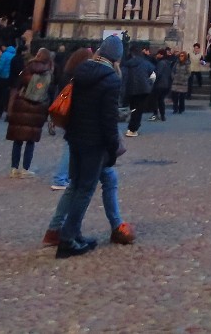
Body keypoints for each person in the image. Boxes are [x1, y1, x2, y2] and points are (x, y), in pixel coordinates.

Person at [57, 35, 124, 258]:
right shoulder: (111, 80)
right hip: (94, 143)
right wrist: (113, 147)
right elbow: (108, 120)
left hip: (75, 137)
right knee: (85, 190)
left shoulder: (81, 70)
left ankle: (72, 234)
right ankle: (67, 239)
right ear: (116, 57)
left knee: (76, 185)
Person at [50, 46, 96, 190]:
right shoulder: (79, 76)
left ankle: (72, 174)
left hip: (69, 113)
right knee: (70, 146)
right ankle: (60, 178)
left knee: (73, 145)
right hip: (77, 114)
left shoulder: (67, 73)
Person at [7, 47, 53, 177]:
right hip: (37, 108)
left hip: (22, 105)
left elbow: (18, 85)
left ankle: (14, 168)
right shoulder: (48, 72)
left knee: (18, 139)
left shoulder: (27, 68)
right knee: (30, 140)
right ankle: (25, 168)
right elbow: (50, 91)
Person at [120, 43, 154, 137]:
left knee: (133, 108)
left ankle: (132, 127)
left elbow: (123, 78)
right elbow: (153, 75)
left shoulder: (127, 64)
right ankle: (133, 128)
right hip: (143, 89)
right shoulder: (146, 63)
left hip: (131, 89)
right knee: (138, 109)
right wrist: (149, 84)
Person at [150, 47, 173, 121]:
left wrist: (152, 80)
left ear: (161, 55)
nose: (157, 55)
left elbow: (157, 74)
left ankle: (155, 114)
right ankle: (162, 115)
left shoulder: (161, 63)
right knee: (161, 100)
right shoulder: (167, 63)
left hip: (159, 84)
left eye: (158, 54)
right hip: (166, 84)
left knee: (155, 100)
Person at [170, 50, 191, 115]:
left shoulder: (187, 64)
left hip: (183, 83)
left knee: (181, 98)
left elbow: (188, 73)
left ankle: (181, 109)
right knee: (174, 97)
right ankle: (175, 109)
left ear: (185, 57)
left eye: (182, 56)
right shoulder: (176, 63)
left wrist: (185, 78)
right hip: (175, 82)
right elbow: (173, 71)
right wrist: (173, 76)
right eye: (180, 56)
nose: (180, 57)